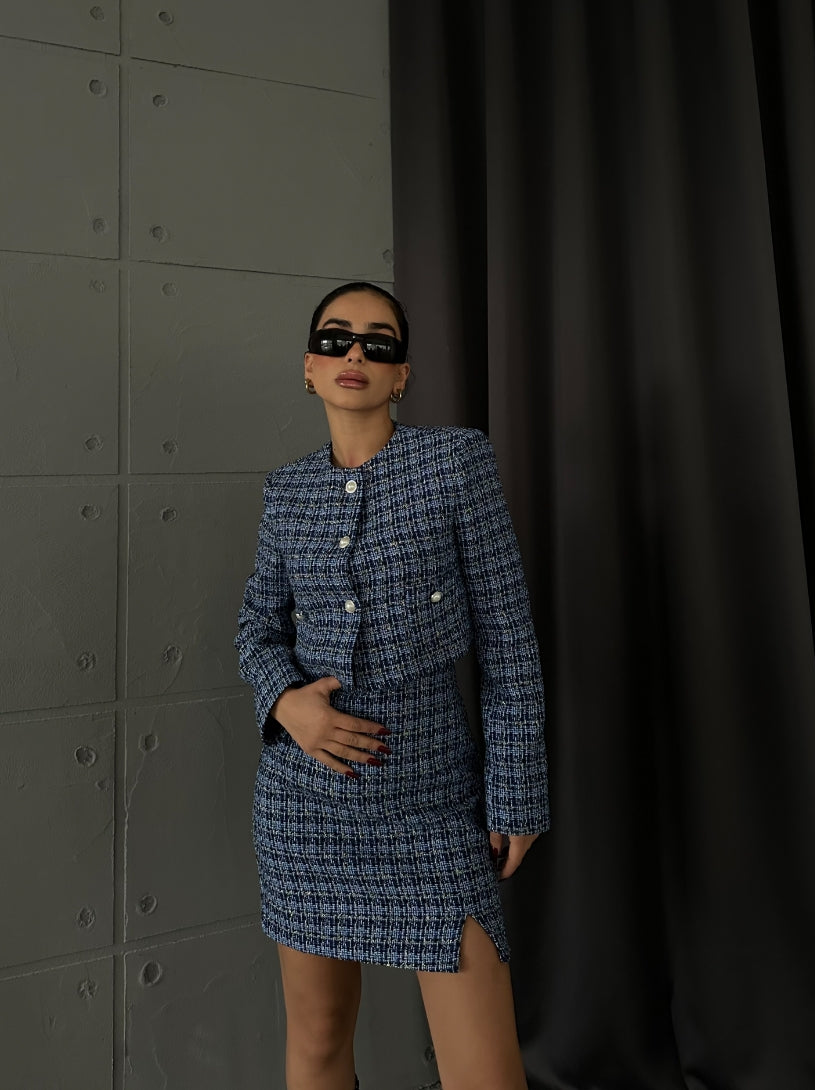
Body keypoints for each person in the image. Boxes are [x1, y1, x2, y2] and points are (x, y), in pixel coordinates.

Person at [235, 282, 549, 1090]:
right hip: (303, 806)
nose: (354, 353)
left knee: (484, 1073)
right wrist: (288, 705)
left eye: (378, 343)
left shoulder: (455, 462)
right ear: (309, 367)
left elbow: (508, 641)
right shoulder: (286, 491)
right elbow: (255, 629)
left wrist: (515, 796)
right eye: (335, 338)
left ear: (401, 375)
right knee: (318, 1039)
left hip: (430, 801)